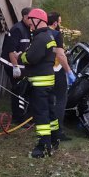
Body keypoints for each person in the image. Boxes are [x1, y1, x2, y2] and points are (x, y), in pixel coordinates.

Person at [18, 8, 58, 158]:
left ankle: (43, 147)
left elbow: (32, 57)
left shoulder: (41, 38)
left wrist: (22, 56)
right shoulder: (48, 36)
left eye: (31, 20)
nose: (29, 24)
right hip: (47, 81)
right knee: (50, 113)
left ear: (38, 21)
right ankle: (54, 140)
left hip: (40, 83)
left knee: (41, 115)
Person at [0, 7, 32, 124]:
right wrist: (15, 67)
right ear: (24, 17)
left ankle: (21, 115)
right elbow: (11, 50)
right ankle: (18, 118)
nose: (32, 20)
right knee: (18, 89)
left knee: (22, 89)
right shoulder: (17, 29)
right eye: (30, 18)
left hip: (20, 65)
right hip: (11, 64)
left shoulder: (28, 29)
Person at [47, 11, 76, 144]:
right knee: (60, 101)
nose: (60, 24)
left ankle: (47, 129)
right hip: (57, 71)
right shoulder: (56, 34)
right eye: (60, 21)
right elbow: (60, 55)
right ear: (55, 23)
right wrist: (69, 71)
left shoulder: (39, 32)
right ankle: (58, 132)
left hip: (43, 71)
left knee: (46, 101)